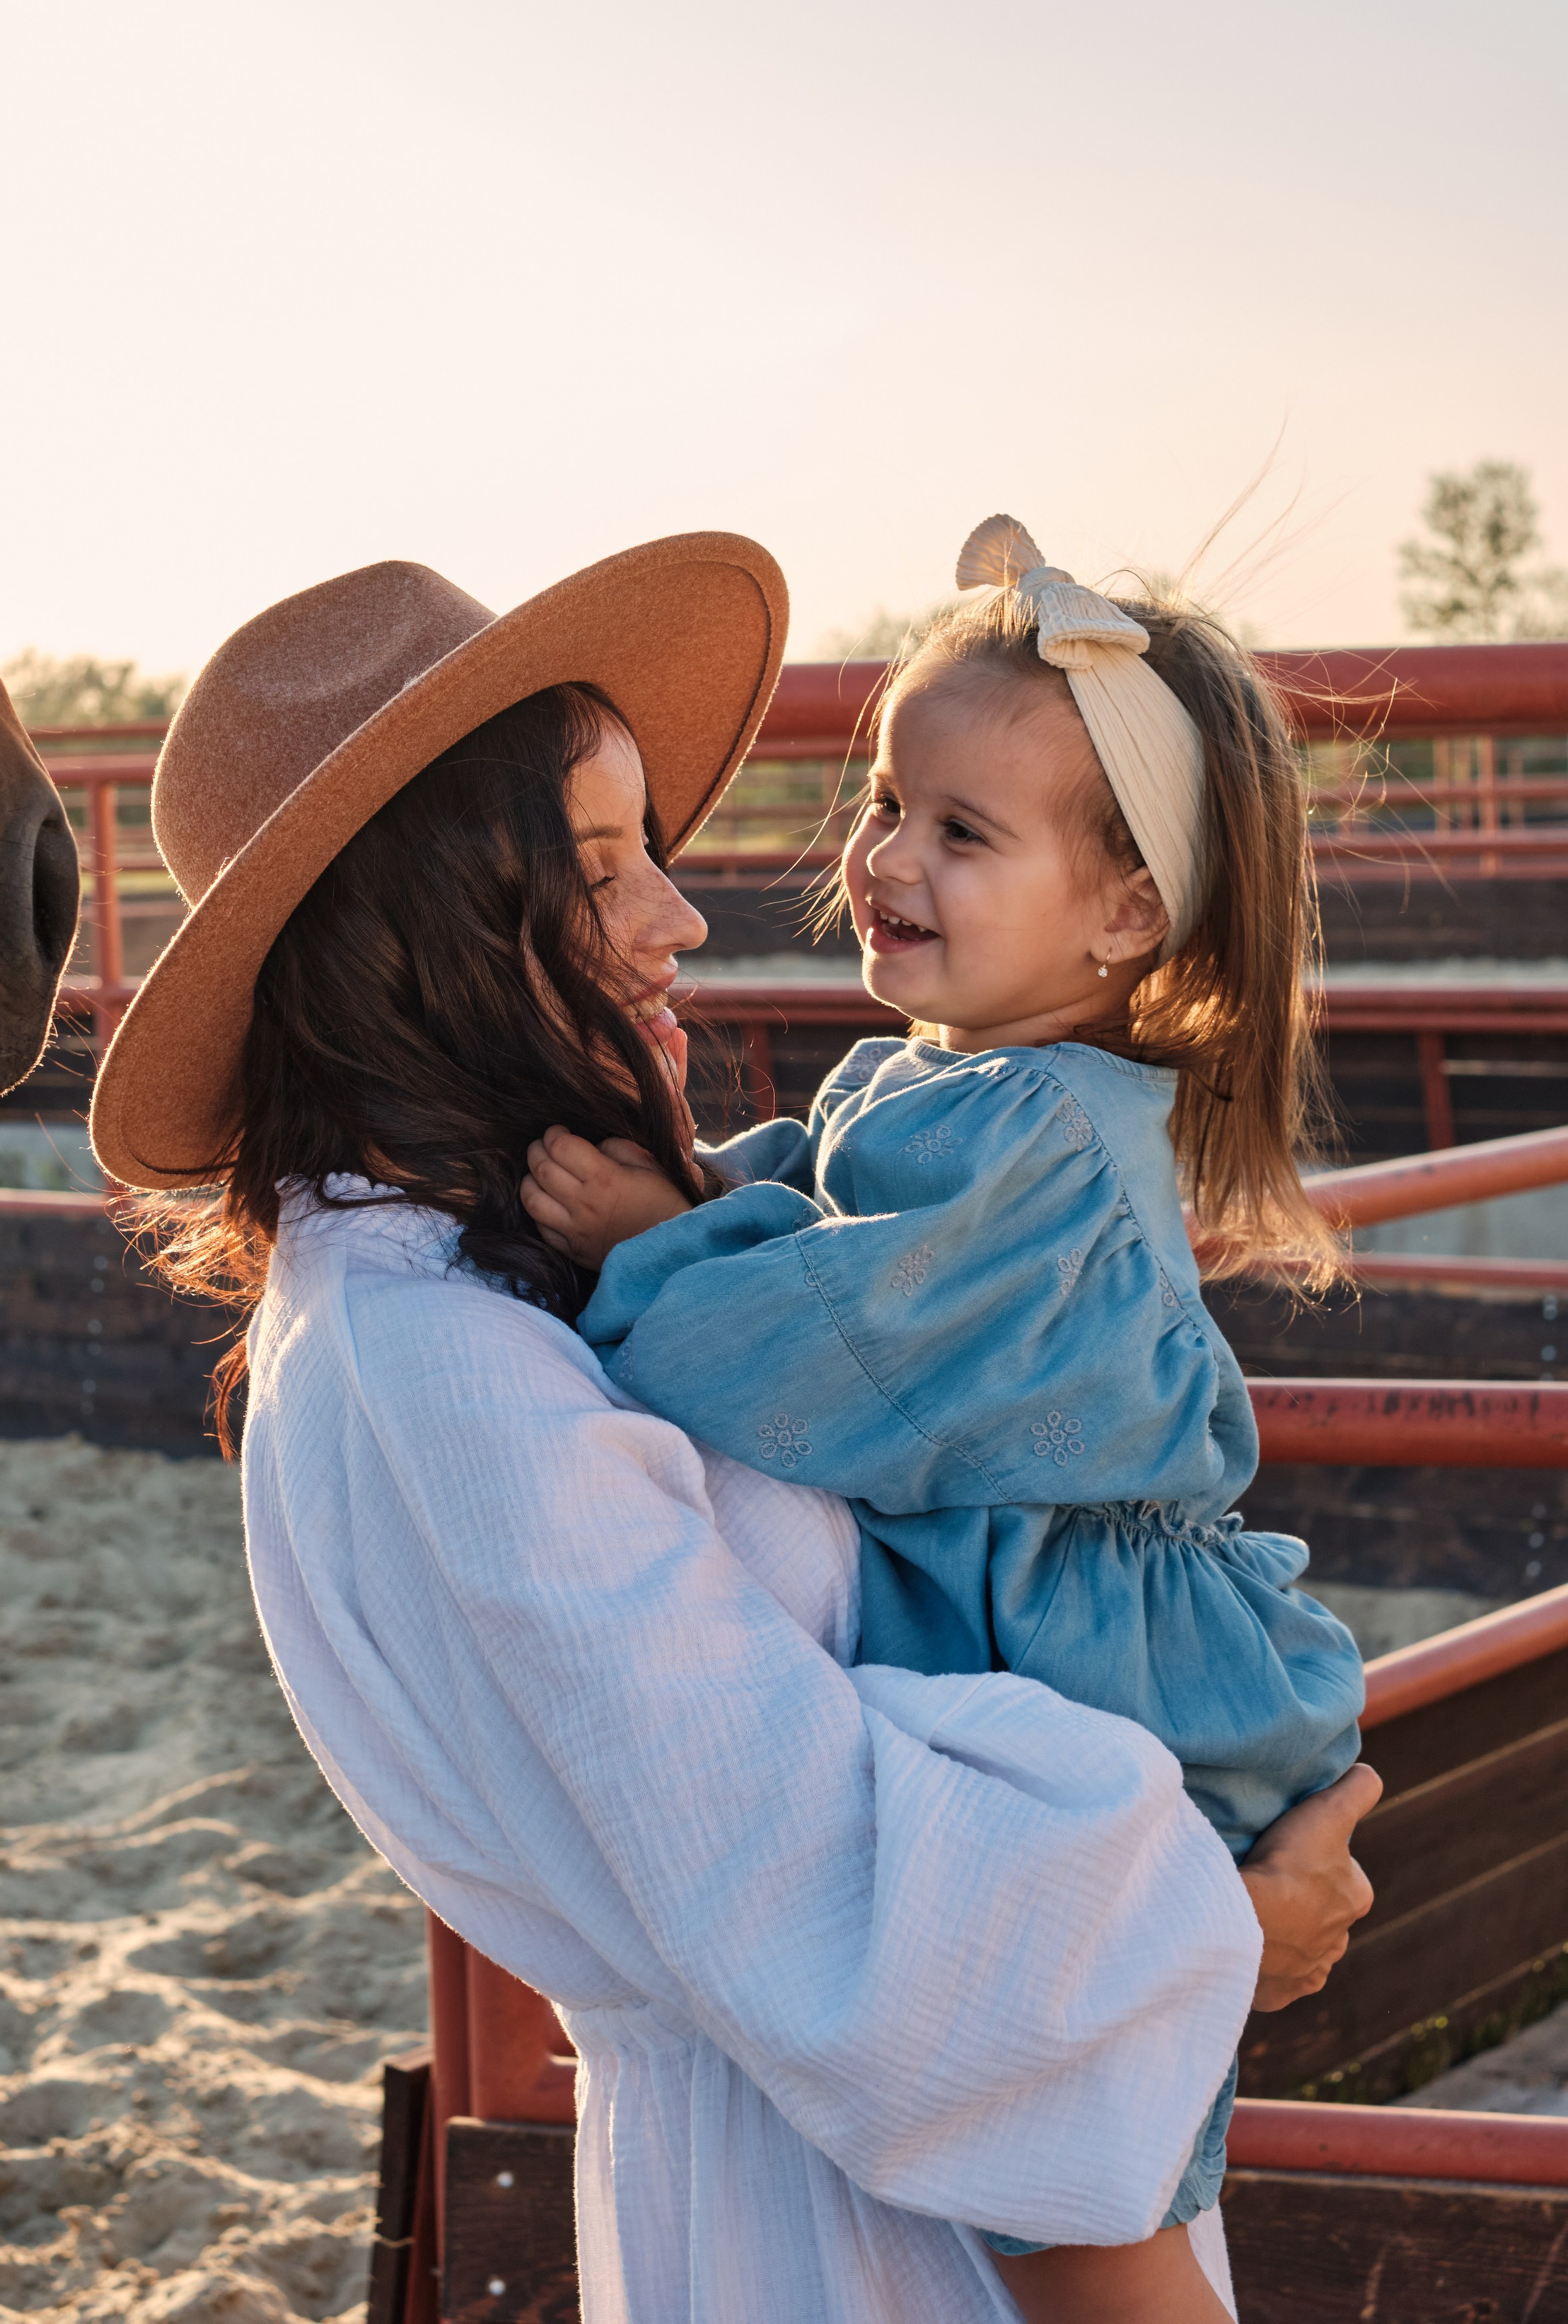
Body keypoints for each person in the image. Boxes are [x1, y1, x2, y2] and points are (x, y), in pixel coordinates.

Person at [88, 534, 1377, 2324]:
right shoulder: (442, 1367)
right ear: (418, 930)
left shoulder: (468, 1284)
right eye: (597, 868)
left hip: (927, 2126)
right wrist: (1217, 1924)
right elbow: (806, 1876)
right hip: (848, 2207)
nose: (680, 920)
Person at [521, 518, 1366, 2318]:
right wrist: (709, 1195)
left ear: (1126, 914)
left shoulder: (1037, 1135)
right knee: (1064, 2154)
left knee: (1078, 2187)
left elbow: (839, 1349)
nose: (886, 857)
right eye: (886, 804)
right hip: (1064, 1636)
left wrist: (657, 1240)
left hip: (1113, 1672)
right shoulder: (961, 1081)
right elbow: (826, 1209)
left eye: (960, 833)